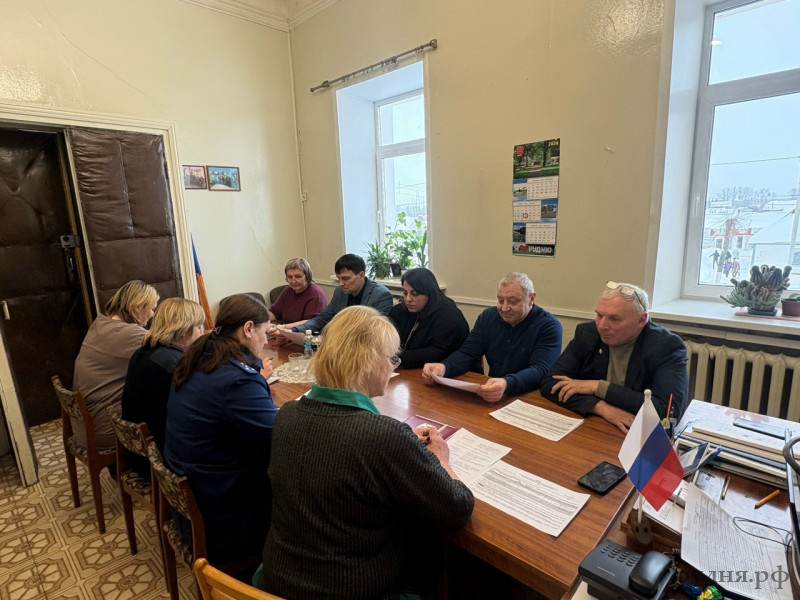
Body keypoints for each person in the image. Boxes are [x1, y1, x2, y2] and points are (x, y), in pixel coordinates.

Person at [257, 306, 474, 600]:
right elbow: (457, 509)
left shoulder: (288, 414)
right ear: (368, 363)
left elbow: (340, 449)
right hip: (354, 589)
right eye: (391, 358)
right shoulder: (385, 437)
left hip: (277, 581)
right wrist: (439, 459)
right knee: (431, 551)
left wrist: (402, 446)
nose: (393, 365)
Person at [165, 293, 276, 564]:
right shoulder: (237, 380)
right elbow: (278, 440)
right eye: (265, 333)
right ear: (248, 329)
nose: (266, 341)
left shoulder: (200, 355)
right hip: (223, 513)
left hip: (190, 496)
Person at [539, 281, 688, 433]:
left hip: (637, 433)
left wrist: (597, 387)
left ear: (641, 320)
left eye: (614, 319)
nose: (601, 326)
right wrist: (600, 407)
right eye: (599, 315)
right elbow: (550, 383)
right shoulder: (587, 333)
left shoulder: (666, 346)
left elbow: (667, 414)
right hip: (595, 425)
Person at [421, 272, 562, 403]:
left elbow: (540, 370)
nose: (504, 308)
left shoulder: (549, 326)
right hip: (494, 393)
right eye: (500, 300)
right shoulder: (488, 317)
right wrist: (444, 367)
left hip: (532, 397)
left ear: (531, 299)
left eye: (513, 301)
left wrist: (506, 383)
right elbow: (468, 352)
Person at [120, 298, 206, 478]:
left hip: (137, 452)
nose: (202, 332)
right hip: (160, 462)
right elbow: (200, 411)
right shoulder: (174, 364)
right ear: (184, 330)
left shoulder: (143, 351)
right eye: (198, 327)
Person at [73, 280, 159, 450]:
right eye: (151, 308)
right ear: (138, 307)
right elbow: (169, 350)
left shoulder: (101, 323)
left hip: (84, 427)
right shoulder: (130, 334)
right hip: (106, 430)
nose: (152, 314)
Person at [275, 253, 392, 345]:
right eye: (338, 278)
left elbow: (372, 333)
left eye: (345, 278)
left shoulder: (381, 295)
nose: (341, 283)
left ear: (361, 275)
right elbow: (321, 319)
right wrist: (293, 331)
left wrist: (330, 338)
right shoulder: (340, 291)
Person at [388, 267, 470, 369]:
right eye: (405, 293)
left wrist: (394, 358)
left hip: (445, 371)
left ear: (429, 293)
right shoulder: (399, 311)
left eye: (415, 294)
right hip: (405, 369)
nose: (408, 299)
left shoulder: (449, 316)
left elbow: (436, 353)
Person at [267, 257, 327, 328]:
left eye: (298, 276)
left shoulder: (315, 294)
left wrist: (284, 327)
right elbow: (274, 312)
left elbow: (310, 323)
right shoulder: (288, 290)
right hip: (288, 331)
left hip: (306, 333)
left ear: (307, 276)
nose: (293, 281)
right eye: (290, 277)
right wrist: (260, 320)